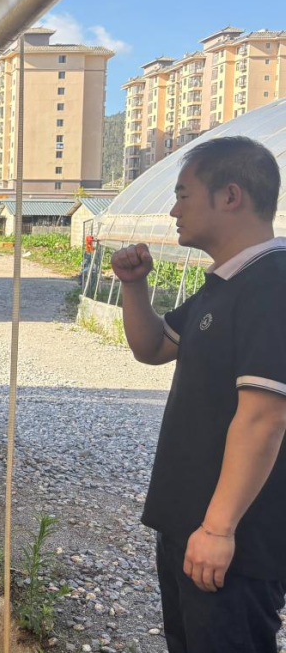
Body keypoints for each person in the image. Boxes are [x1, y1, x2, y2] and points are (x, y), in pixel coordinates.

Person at [111, 136, 286, 653]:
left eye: (183, 195)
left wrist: (218, 529)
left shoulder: (272, 286)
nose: (173, 211)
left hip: (234, 543)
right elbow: (152, 347)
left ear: (230, 196)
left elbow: (264, 418)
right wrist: (134, 285)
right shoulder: (226, 284)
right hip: (191, 530)